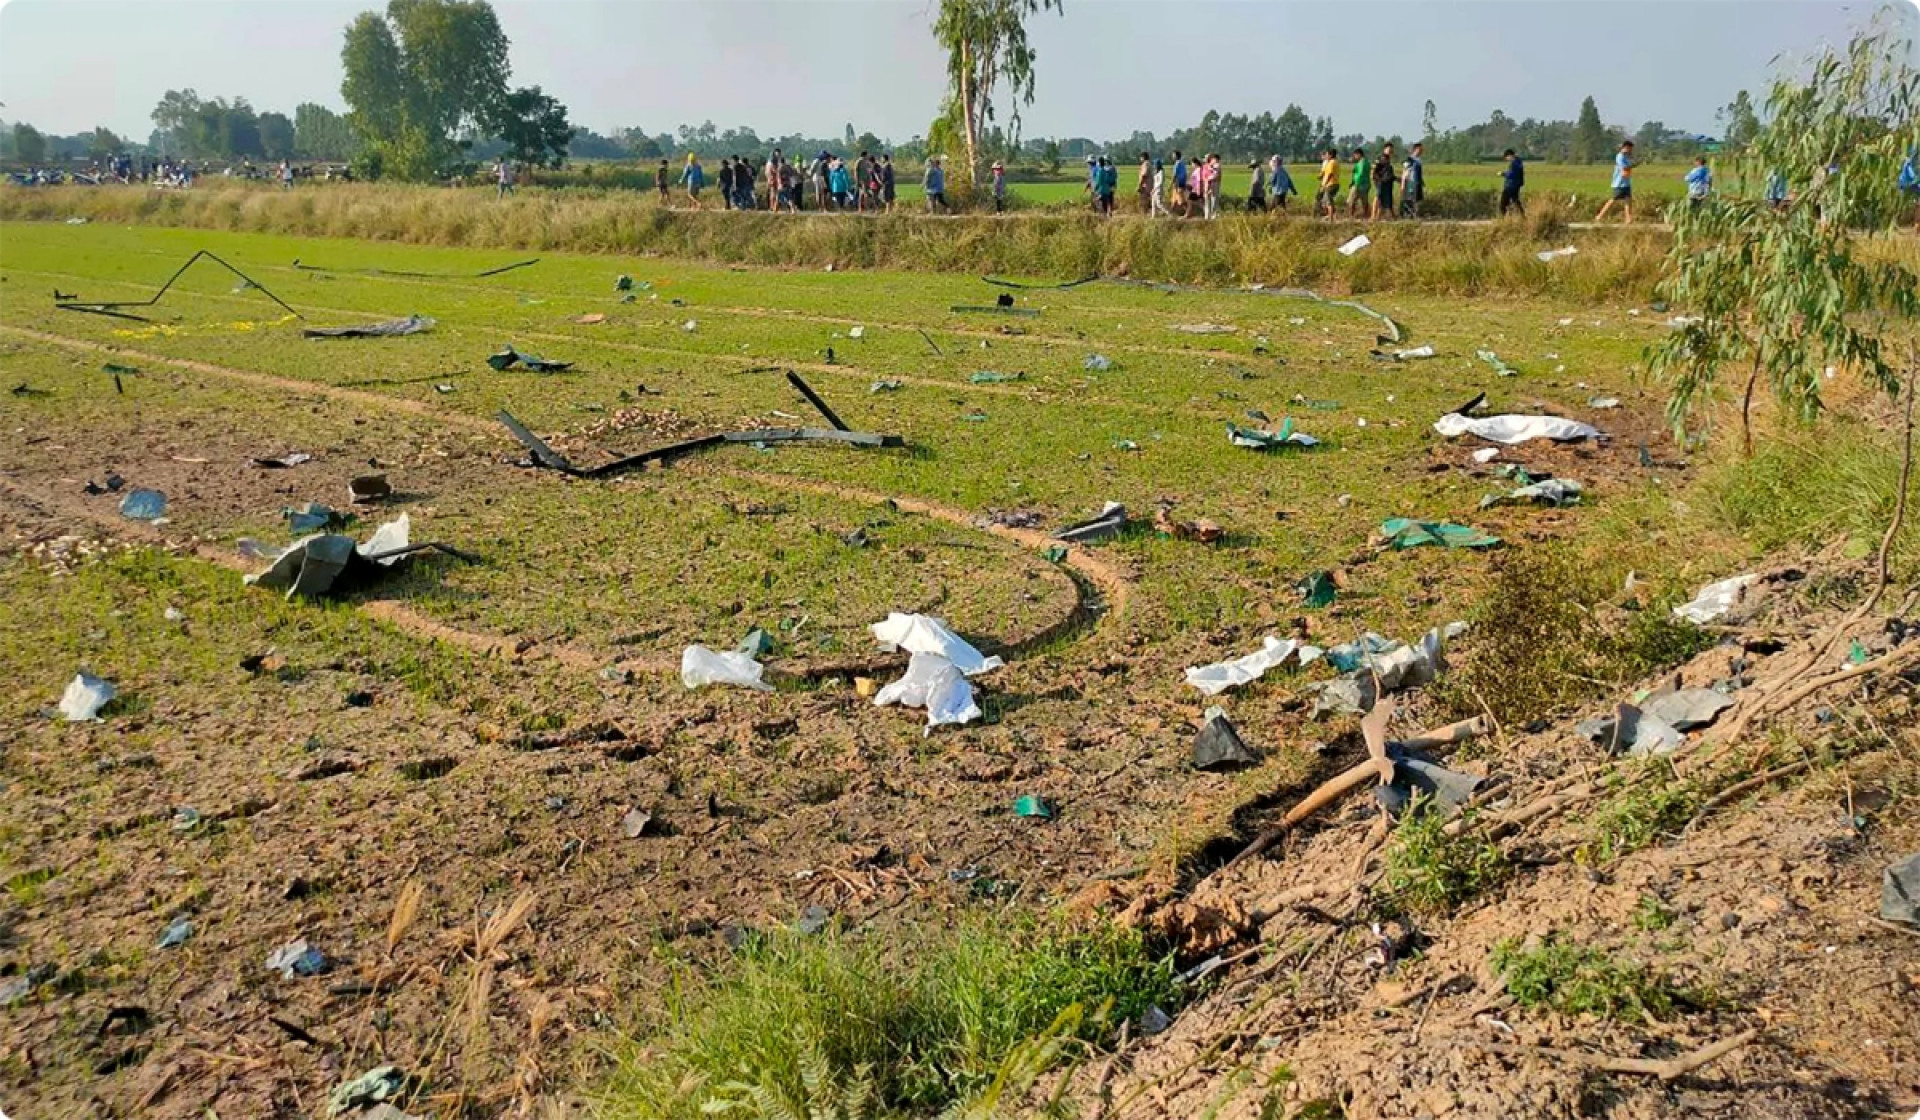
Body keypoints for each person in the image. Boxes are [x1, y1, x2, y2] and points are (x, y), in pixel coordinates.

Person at [1593, 139, 1635, 223]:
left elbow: (1628, 167)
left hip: (1626, 182)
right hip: (1619, 183)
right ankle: (1599, 216)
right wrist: (1632, 166)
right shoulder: (1620, 157)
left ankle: (1628, 219)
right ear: (1625, 147)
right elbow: (1624, 169)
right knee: (1613, 200)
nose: (1631, 150)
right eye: (1629, 148)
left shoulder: (1626, 157)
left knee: (1628, 200)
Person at [1400, 142, 1425, 218]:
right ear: (1416, 149)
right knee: (1411, 199)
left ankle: (1415, 214)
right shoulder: (1409, 159)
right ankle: (1410, 215)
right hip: (1411, 182)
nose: (1422, 151)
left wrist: (1422, 182)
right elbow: (1405, 172)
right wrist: (1403, 184)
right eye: (1420, 149)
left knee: (1417, 199)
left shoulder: (1419, 160)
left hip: (1418, 182)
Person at [1371, 144, 1395, 220]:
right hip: (1380, 181)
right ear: (1384, 149)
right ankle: (1373, 216)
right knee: (1377, 197)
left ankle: (1378, 217)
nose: (1390, 151)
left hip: (1386, 182)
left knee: (1382, 200)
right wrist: (1374, 178)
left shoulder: (1388, 159)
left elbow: (1388, 172)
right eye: (1389, 149)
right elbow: (1374, 169)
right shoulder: (1380, 158)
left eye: (1391, 149)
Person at [1499, 148, 1525, 216]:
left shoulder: (1513, 163)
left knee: (1503, 203)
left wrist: (1502, 173)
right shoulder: (1519, 162)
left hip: (1510, 186)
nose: (1507, 159)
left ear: (1510, 155)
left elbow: (1511, 174)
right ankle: (1523, 217)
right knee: (1516, 202)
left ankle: (1502, 219)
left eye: (1506, 157)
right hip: (1516, 185)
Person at [1316, 147, 1340, 218]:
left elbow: (1330, 174)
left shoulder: (1332, 163)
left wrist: (1325, 184)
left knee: (1328, 202)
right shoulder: (1334, 162)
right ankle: (1333, 216)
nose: (1326, 156)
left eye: (1327, 154)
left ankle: (1330, 218)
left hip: (1331, 184)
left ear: (1331, 155)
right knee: (1327, 201)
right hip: (1333, 184)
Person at [1347, 147, 1370, 218]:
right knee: (1364, 202)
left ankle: (1351, 216)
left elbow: (1360, 174)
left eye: (1355, 155)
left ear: (1359, 154)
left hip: (1358, 184)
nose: (1355, 157)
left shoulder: (1361, 163)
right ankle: (1366, 216)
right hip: (1366, 184)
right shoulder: (1367, 162)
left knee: (1351, 201)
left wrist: (1355, 183)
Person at [1172, 150, 1190, 217]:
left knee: (1181, 201)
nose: (1172, 156)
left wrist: (1171, 184)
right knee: (1174, 201)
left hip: (1178, 185)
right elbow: (1185, 175)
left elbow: (1174, 175)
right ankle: (1170, 214)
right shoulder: (1182, 163)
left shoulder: (1177, 164)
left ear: (1176, 156)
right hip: (1181, 184)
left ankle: (1188, 212)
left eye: (1173, 155)